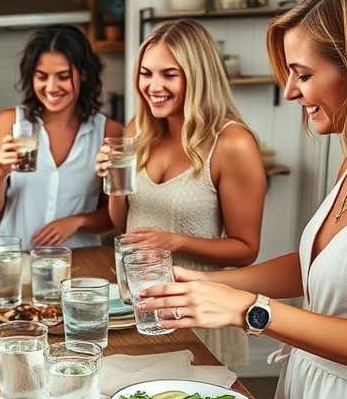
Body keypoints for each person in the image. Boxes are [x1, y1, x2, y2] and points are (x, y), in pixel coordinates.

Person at [135, 0, 347, 399]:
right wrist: (218, 286)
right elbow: (319, 264)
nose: (289, 90)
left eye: (302, 73)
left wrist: (251, 311)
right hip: (306, 393)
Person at [96, 19, 265, 366]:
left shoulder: (232, 144)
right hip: (140, 309)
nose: (153, 86)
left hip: (197, 310)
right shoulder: (138, 130)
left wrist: (175, 241)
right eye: (146, 73)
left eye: (168, 74)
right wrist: (112, 181)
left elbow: (246, 250)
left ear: (197, 76)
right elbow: (121, 223)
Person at [0, 25, 122, 248]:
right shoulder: (11, 122)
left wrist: (77, 221)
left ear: (82, 73)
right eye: (41, 76)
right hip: (17, 260)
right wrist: (1, 174)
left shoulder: (107, 131)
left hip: (78, 264)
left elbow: (114, 215)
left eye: (63, 76)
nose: (51, 88)